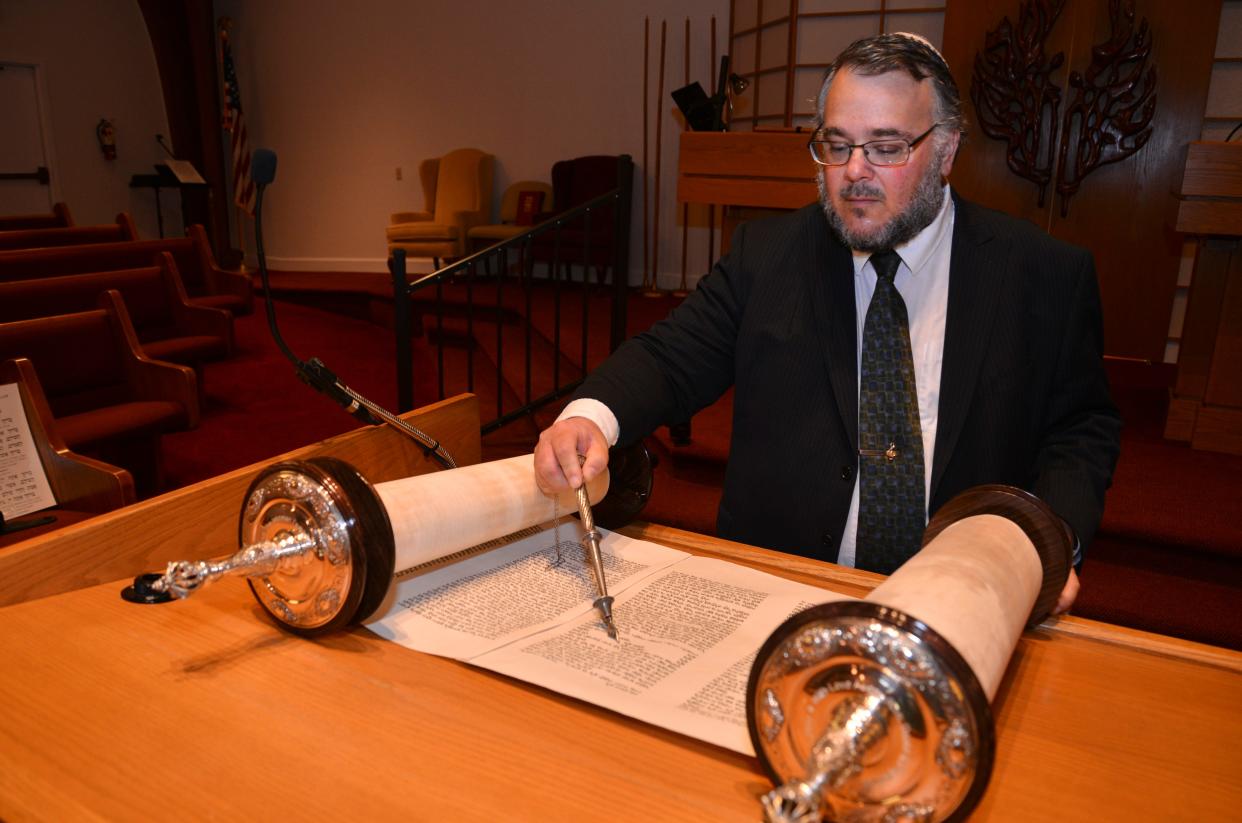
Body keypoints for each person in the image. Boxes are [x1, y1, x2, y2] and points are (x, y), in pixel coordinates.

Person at [534, 32, 1120, 613]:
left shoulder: (1043, 272)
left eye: (886, 147)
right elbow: (670, 356)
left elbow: (1078, 428)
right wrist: (589, 418)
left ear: (945, 150)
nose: (853, 173)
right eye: (836, 145)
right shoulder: (767, 254)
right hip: (776, 592)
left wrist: (1050, 539)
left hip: (961, 604)